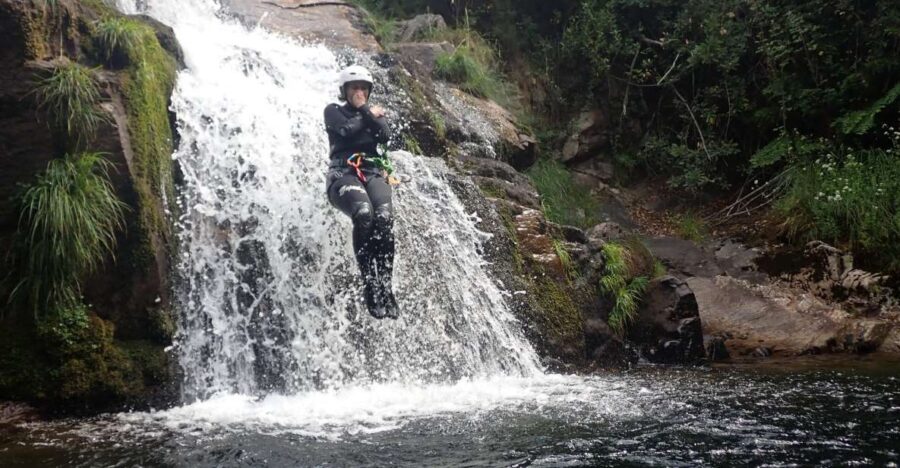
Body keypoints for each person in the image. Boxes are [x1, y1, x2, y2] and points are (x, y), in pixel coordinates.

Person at [324, 65, 399, 319]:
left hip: (372, 173)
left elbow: (385, 135)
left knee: (384, 218)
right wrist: (366, 111)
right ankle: (369, 283)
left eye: (364, 89)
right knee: (364, 213)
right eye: (355, 88)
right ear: (345, 90)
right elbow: (344, 131)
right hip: (342, 174)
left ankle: (385, 286)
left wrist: (368, 112)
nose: (360, 92)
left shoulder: (374, 115)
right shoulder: (334, 111)